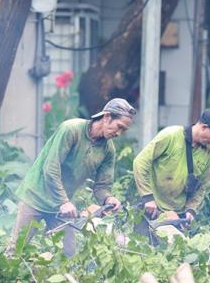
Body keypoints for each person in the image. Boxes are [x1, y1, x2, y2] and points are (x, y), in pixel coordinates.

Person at [7, 98, 136, 258]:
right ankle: (4, 282)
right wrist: (64, 201)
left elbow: (102, 186)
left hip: (61, 207)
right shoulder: (71, 129)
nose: (119, 133)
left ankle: (44, 282)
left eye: (123, 131)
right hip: (36, 197)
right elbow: (51, 169)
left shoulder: (108, 150)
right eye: (119, 127)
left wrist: (108, 199)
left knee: (67, 254)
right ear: (107, 116)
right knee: (16, 250)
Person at [132, 109, 210, 240]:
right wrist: (147, 198)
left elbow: (203, 185)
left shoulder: (208, 152)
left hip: (176, 215)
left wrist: (190, 209)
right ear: (204, 127)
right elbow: (140, 163)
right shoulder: (171, 136)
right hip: (150, 209)